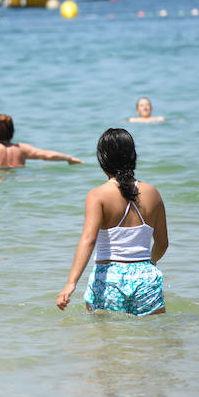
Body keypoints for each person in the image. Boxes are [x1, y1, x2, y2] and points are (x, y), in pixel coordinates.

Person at [56, 128, 168, 315]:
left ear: (102, 160)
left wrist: (71, 283)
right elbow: (163, 243)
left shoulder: (97, 195)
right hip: (146, 279)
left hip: (109, 280)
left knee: (104, 340)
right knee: (152, 339)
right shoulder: (152, 193)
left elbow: (88, 240)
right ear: (133, 157)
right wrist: (149, 264)